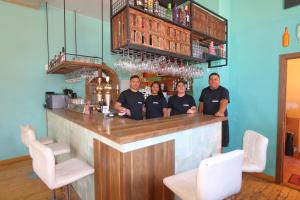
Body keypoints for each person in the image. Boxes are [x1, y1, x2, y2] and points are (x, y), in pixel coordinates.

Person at [198, 72, 230, 147]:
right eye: (211, 79)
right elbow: (201, 103)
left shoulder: (224, 91)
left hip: (219, 122)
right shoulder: (204, 91)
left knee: (220, 145)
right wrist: (199, 115)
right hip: (206, 122)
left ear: (219, 81)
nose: (213, 81)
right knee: (207, 144)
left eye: (216, 79)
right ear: (208, 81)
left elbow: (224, 101)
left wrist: (220, 112)